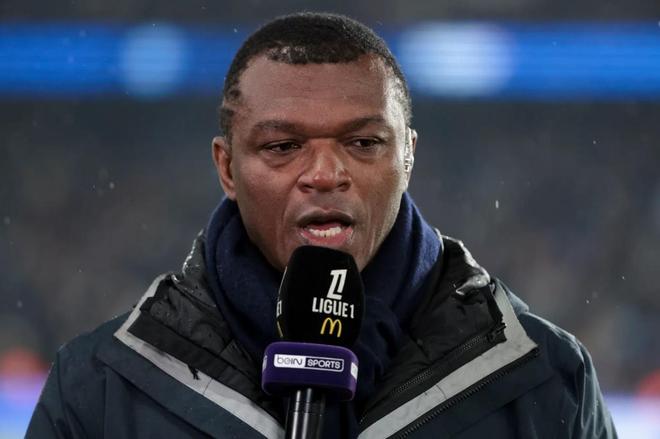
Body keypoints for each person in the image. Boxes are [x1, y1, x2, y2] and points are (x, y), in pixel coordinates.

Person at [27, 12, 617, 438]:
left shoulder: (544, 377)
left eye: (363, 143)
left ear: (408, 155)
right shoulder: (101, 387)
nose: (325, 174)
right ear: (227, 167)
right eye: (283, 146)